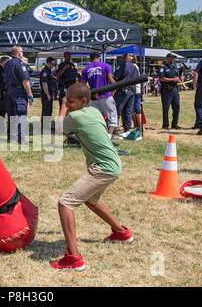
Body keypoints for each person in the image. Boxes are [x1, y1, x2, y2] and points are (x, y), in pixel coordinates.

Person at [51, 83, 133, 271]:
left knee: (65, 203)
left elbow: (57, 128)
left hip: (102, 168)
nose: (68, 104)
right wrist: (70, 102)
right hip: (113, 165)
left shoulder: (76, 116)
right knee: (90, 200)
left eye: (71, 101)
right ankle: (121, 233)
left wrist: (63, 106)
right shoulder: (94, 111)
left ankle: (73, 258)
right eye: (68, 101)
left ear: (84, 101)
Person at [80, 52, 117, 138]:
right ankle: (109, 136)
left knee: (95, 119)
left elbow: (82, 85)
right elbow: (111, 81)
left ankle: (97, 136)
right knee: (112, 116)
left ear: (90, 59)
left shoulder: (85, 69)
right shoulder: (106, 66)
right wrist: (116, 88)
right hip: (105, 96)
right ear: (99, 57)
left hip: (93, 97)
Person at [3, 46, 34, 144]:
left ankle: (12, 137)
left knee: (12, 114)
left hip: (9, 91)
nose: (23, 53)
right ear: (19, 53)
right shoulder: (20, 64)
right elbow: (25, 80)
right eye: (22, 52)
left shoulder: (7, 63)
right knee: (21, 114)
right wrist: (30, 94)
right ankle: (20, 138)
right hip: (18, 92)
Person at [113, 53, 138, 132]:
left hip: (122, 91)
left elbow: (115, 77)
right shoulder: (134, 67)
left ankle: (114, 128)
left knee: (117, 110)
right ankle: (127, 128)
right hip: (131, 91)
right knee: (128, 111)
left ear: (123, 58)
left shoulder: (122, 65)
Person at [158, 53, 182, 130]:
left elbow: (178, 77)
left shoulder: (175, 68)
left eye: (173, 58)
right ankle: (165, 125)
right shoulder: (163, 68)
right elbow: (162, 79)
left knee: (176, 107)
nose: (172, 59)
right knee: (166, 108)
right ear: (167, 58)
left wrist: (178, 79)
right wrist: (174, 79)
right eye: (171, 58)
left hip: (174, 89)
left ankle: (175, 124)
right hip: (166, 90)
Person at [40, 57, 57, 131]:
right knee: (46, 110)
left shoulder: (49, 71)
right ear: (48, 63)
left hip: (49, 93)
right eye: (52, 64)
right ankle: (45, 127)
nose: (53, 65)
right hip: (46, 94)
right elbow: (44, 84)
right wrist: (47, 95)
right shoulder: (45, 71)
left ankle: (47, 126)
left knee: (49, 110)